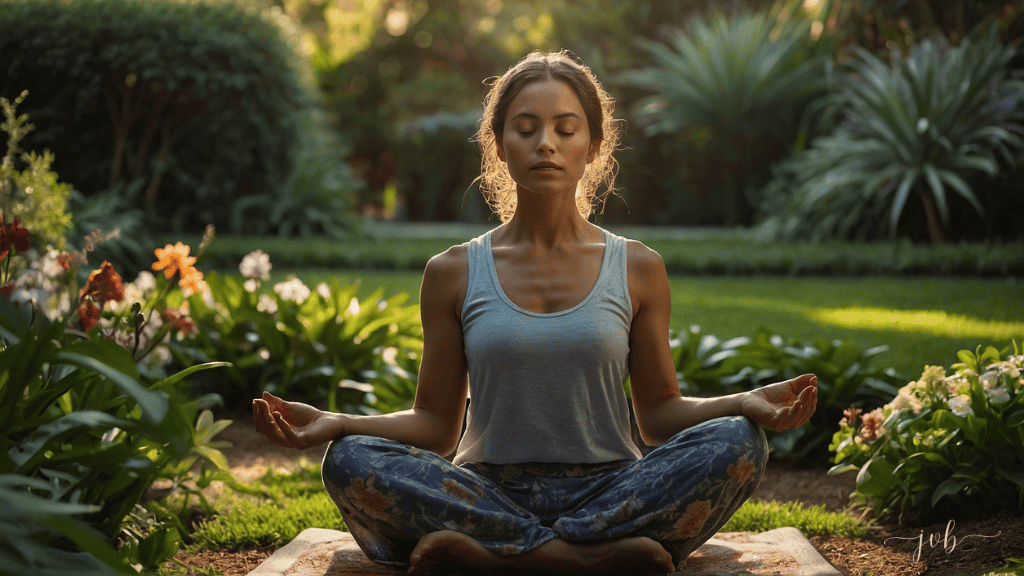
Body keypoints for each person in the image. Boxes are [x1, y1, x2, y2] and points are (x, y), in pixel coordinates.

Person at [252, 51, 817, 574]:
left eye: (565, 129)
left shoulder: (639, 268)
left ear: (594, 145)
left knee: (738, 442)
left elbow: (659, 414)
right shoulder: (452, 271)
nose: (545, 143)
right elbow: (435, 425)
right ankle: (581, 556)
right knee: (348, 459)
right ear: (499, 144)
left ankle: (507, 556)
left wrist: (743, 403)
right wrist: (339, 423)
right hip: (487, 491)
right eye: (526, 129)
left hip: (610, 489)